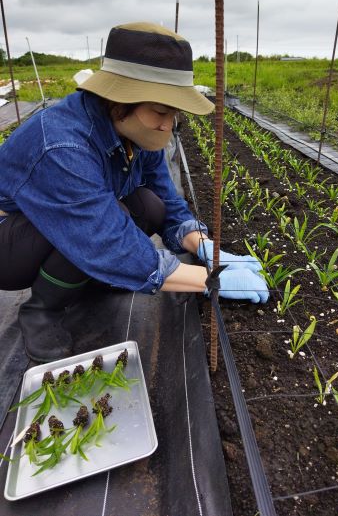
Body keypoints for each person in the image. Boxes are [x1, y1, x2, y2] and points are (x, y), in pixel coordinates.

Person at [0, 22, 269, 363]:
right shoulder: (63, 144)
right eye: (160, 111)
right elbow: (102, 237)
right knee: (113, 223)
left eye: (174, 114)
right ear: (118, 100)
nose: (167, 124)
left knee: (149, 206)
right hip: (9, 243)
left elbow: (169, 202)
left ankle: (94, 279)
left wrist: (205, 247)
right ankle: (42, 312)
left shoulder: (137, 131)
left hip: (56, 225)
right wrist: (209, 279)